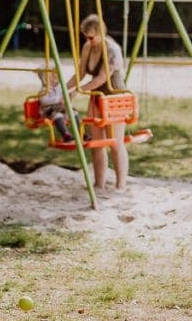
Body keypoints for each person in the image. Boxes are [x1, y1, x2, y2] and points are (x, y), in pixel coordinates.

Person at [66, 14, 129, 190]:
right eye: (86, 36)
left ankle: (120, 185)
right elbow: (81, 72)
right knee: (96, 142)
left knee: (115, 142)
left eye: (91, 36)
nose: (88, 40)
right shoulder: (88, 47)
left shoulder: (112, 49)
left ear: (100, 32)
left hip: (114, 96)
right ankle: (99, 183)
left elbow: (102, 78)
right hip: (97, 96)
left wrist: (78, 91)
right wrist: (64, 89)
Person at [37, 70, 80, 142]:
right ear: (45, 81)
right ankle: (66, 135)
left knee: (73, 112)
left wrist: (67, 97)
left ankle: (81, 133)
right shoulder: (44, 90)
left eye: (56, 78)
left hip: (61, 108)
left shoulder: (59, 87)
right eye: (51, 79)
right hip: (49, 110)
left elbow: (64, 96)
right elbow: (44, 101)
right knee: (57, 115)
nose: (54, 81)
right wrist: (58, 99)